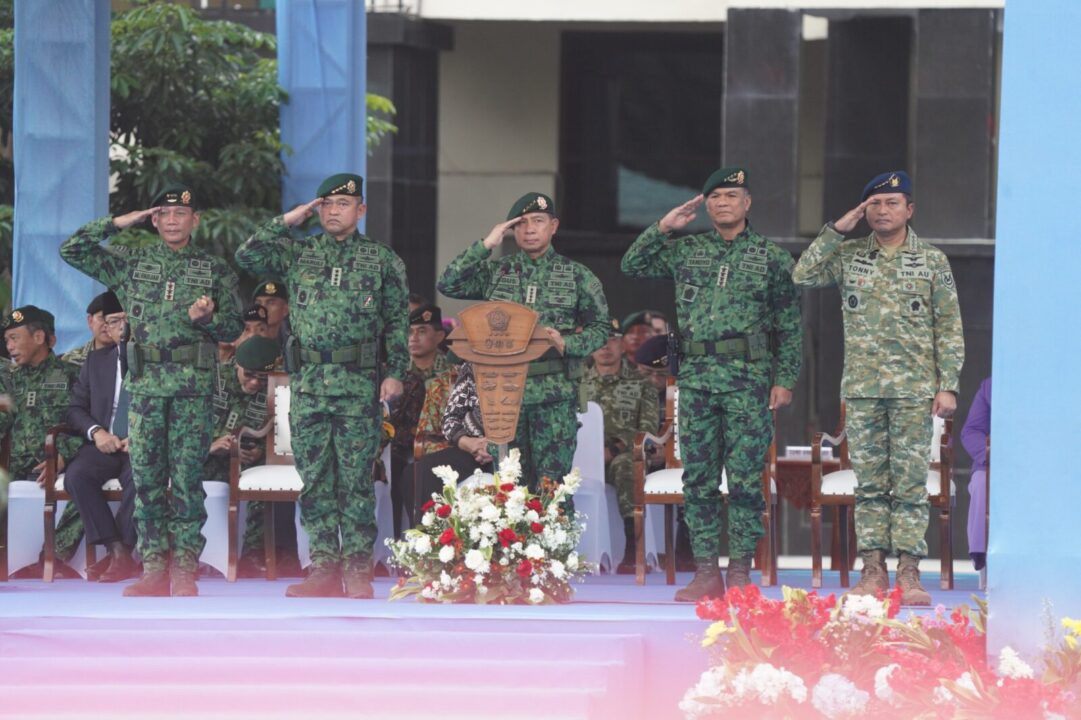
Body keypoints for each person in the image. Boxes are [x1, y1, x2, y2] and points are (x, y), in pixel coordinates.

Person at [622, 167, 802, 602]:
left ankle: (739, 570)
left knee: (743, 479)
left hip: (749, 380)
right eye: (715, 196)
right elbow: (632, 264)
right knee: (698, 479)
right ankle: (706, 571)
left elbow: (790, 325)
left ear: (747, 203)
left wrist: (786, 379)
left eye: (731, 195)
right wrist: (664, 227)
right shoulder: (688, 250)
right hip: (698, 380)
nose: (723, 203)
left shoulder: (772, 258)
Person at [792, 170, 965, 606]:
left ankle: (909, 571)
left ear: (910, 210)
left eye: (892, 203)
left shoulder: (932, 260)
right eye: (874, 204)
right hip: (864, 389)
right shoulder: (850, 256)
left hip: (913, 389)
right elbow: (803, 275)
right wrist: (836, 230)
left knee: (908, 484)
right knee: (869, 485)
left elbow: (949, 326)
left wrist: (948, 386)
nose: (882, 211)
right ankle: (872, 569)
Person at [61, 185, 243, 597]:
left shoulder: (215, 270)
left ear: (195, 221)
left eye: (182, 214)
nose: (173, 220)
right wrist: (121, 221)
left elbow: (233, 328)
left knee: (185, 480)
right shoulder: (132, 262)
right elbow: (72, 249)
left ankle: (184, 569)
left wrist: (208, 319)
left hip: (191, 391)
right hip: (144, 392)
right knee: (144, 480)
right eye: (165, 214)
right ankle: (154, 569)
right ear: (155, 220)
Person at [235, 172, 408, 599]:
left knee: (354, 480)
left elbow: (398, 322)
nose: (333, 211)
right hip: (309, 383)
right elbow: (246, 254)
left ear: (360, 210)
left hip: (357, 383)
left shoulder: (383, 260)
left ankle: (358, 570)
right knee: (314, 478)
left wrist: (396, 371)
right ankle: (324, 569)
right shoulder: (300, 254)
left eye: (343, 204)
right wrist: (289, 220)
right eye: (326, 204)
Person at [436, 192, 609, 492]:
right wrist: (487, 244)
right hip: (503, 398)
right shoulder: (496, 272)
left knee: (552, 490)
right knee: (509, 490)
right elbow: (448, 282)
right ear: (512, 230)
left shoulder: (577, 276)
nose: (530, 229)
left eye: (538, 222)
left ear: (553, 226)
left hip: (553, 395)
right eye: (522, 223)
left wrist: (567, 343)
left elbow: (601, 328)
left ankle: (557, 541)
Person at [0, 306, 82, 578]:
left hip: (61, 466)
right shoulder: (9, 380)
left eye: (14, 338)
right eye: (7, 340)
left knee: (88, 482)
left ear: (38, 338)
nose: (9, 346)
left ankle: (53, 556)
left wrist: (62, 457)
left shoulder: (72, 375)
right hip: (15, 469)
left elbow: (85, 423)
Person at [64, 297, 138, 582]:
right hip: (106, 443)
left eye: (124, 319)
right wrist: (97, 433)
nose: (119, 327)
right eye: (112, 321)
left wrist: (143, 435)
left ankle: (123, 554)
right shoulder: (96, 361)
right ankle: (116, 549)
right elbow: (74, 409)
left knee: (142, 475)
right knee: (77, 475)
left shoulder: (154, 358)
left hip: (142, 444)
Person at [579, 318, 659, 573]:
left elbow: (646, 429)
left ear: (623, 345)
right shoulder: (576, 381)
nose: (605, 346)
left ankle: (633, 552)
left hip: (621, 455)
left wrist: (612, 450)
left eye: (612, 339)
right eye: (599, 340)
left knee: (627, 467)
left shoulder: (641, 382)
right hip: (578, 455)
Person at [386, 304, 448, 537]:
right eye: (410, 331)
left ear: (439, 336)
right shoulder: (395, 373)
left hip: (439, 444)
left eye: (422, 331)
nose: (413, 338)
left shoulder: (453, 371)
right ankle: (393, 543)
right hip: (399, 446)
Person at [960, 376, 990, 572]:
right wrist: (987, 454)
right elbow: (971, 431)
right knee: (981, 481)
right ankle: (980, 553)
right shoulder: (992, 386)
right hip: (996, 463)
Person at [61, 291, 118, 367]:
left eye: (114, 320)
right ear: (90, 321)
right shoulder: (71, 359)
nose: (106, 325)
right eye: (102, 318)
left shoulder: (131, 359)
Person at [253, 280, 290, 348]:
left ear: (285, 309)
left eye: (270, 303)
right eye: (258, 303)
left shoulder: (292, 340)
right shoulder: (248, 337)